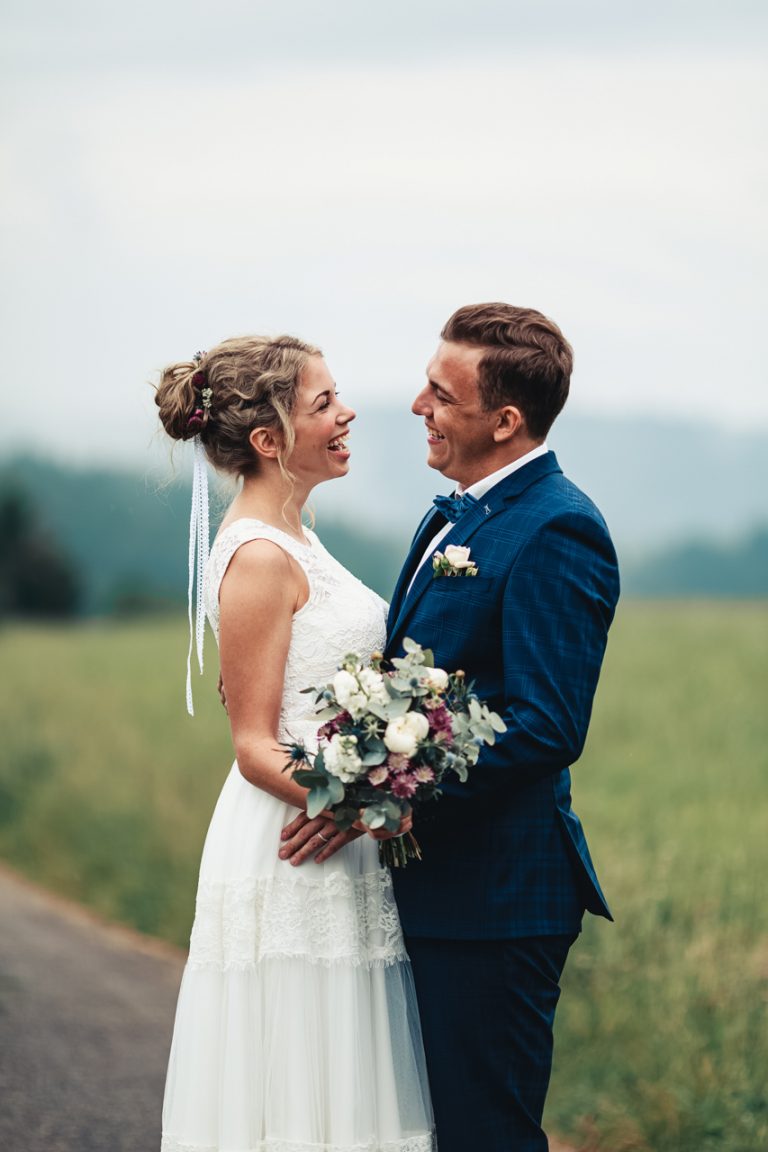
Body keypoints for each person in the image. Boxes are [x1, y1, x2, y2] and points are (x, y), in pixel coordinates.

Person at [281, 304, 620, 1152]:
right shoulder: (455, 515)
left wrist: (378, 795)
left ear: (505, 422)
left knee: (483, 1133)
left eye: (441, 392)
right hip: (432, 889)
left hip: (497, 897)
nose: (415, 406)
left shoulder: (559, 528)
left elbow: (545, 725)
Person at [155, 335, 434, 1152]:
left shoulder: (297, 536)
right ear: (269, 440)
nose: (345, 414)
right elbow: (250, 743)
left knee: (341, 1083)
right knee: (298, 1084)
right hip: (294, 843)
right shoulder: (259, 557)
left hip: (330, 831)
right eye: (323, 403)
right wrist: (376, 804)